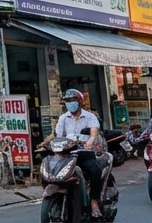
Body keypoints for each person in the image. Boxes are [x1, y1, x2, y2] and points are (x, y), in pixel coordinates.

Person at [54, 89, 104, 218]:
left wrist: (90, 141)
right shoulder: (63, 118)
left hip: (84, 153)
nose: (70, 104)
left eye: (73, 101)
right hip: (67, 155)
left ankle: (94, 202)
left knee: (95, 170)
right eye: (68, 101)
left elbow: (94, 133)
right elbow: (58, 137)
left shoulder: (90, 116)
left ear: (80, 102)